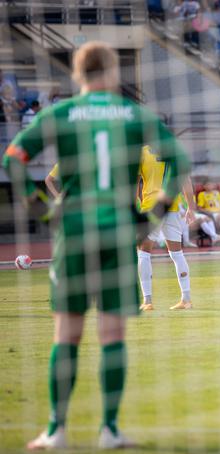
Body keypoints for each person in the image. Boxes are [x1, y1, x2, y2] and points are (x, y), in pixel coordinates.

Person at [3, 41, 190, 450]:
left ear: (76, 74)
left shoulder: (61, 114)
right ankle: (109, 429)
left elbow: (12, 159)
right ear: (112, 73)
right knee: (112, 334)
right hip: (118, 231)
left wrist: (46, 213)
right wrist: (152, 215)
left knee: (66, 334)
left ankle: (56, 430)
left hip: (74, 232)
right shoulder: (132, 115)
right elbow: (179, 157)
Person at [137, 146, 198, 312]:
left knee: (143, 253)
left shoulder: (140, 152)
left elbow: (134, 181)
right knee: (177, 254)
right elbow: (185, 181)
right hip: (171, 208)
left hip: (150, 208)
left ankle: (147, 301)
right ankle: (186, 299)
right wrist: (191, 207)